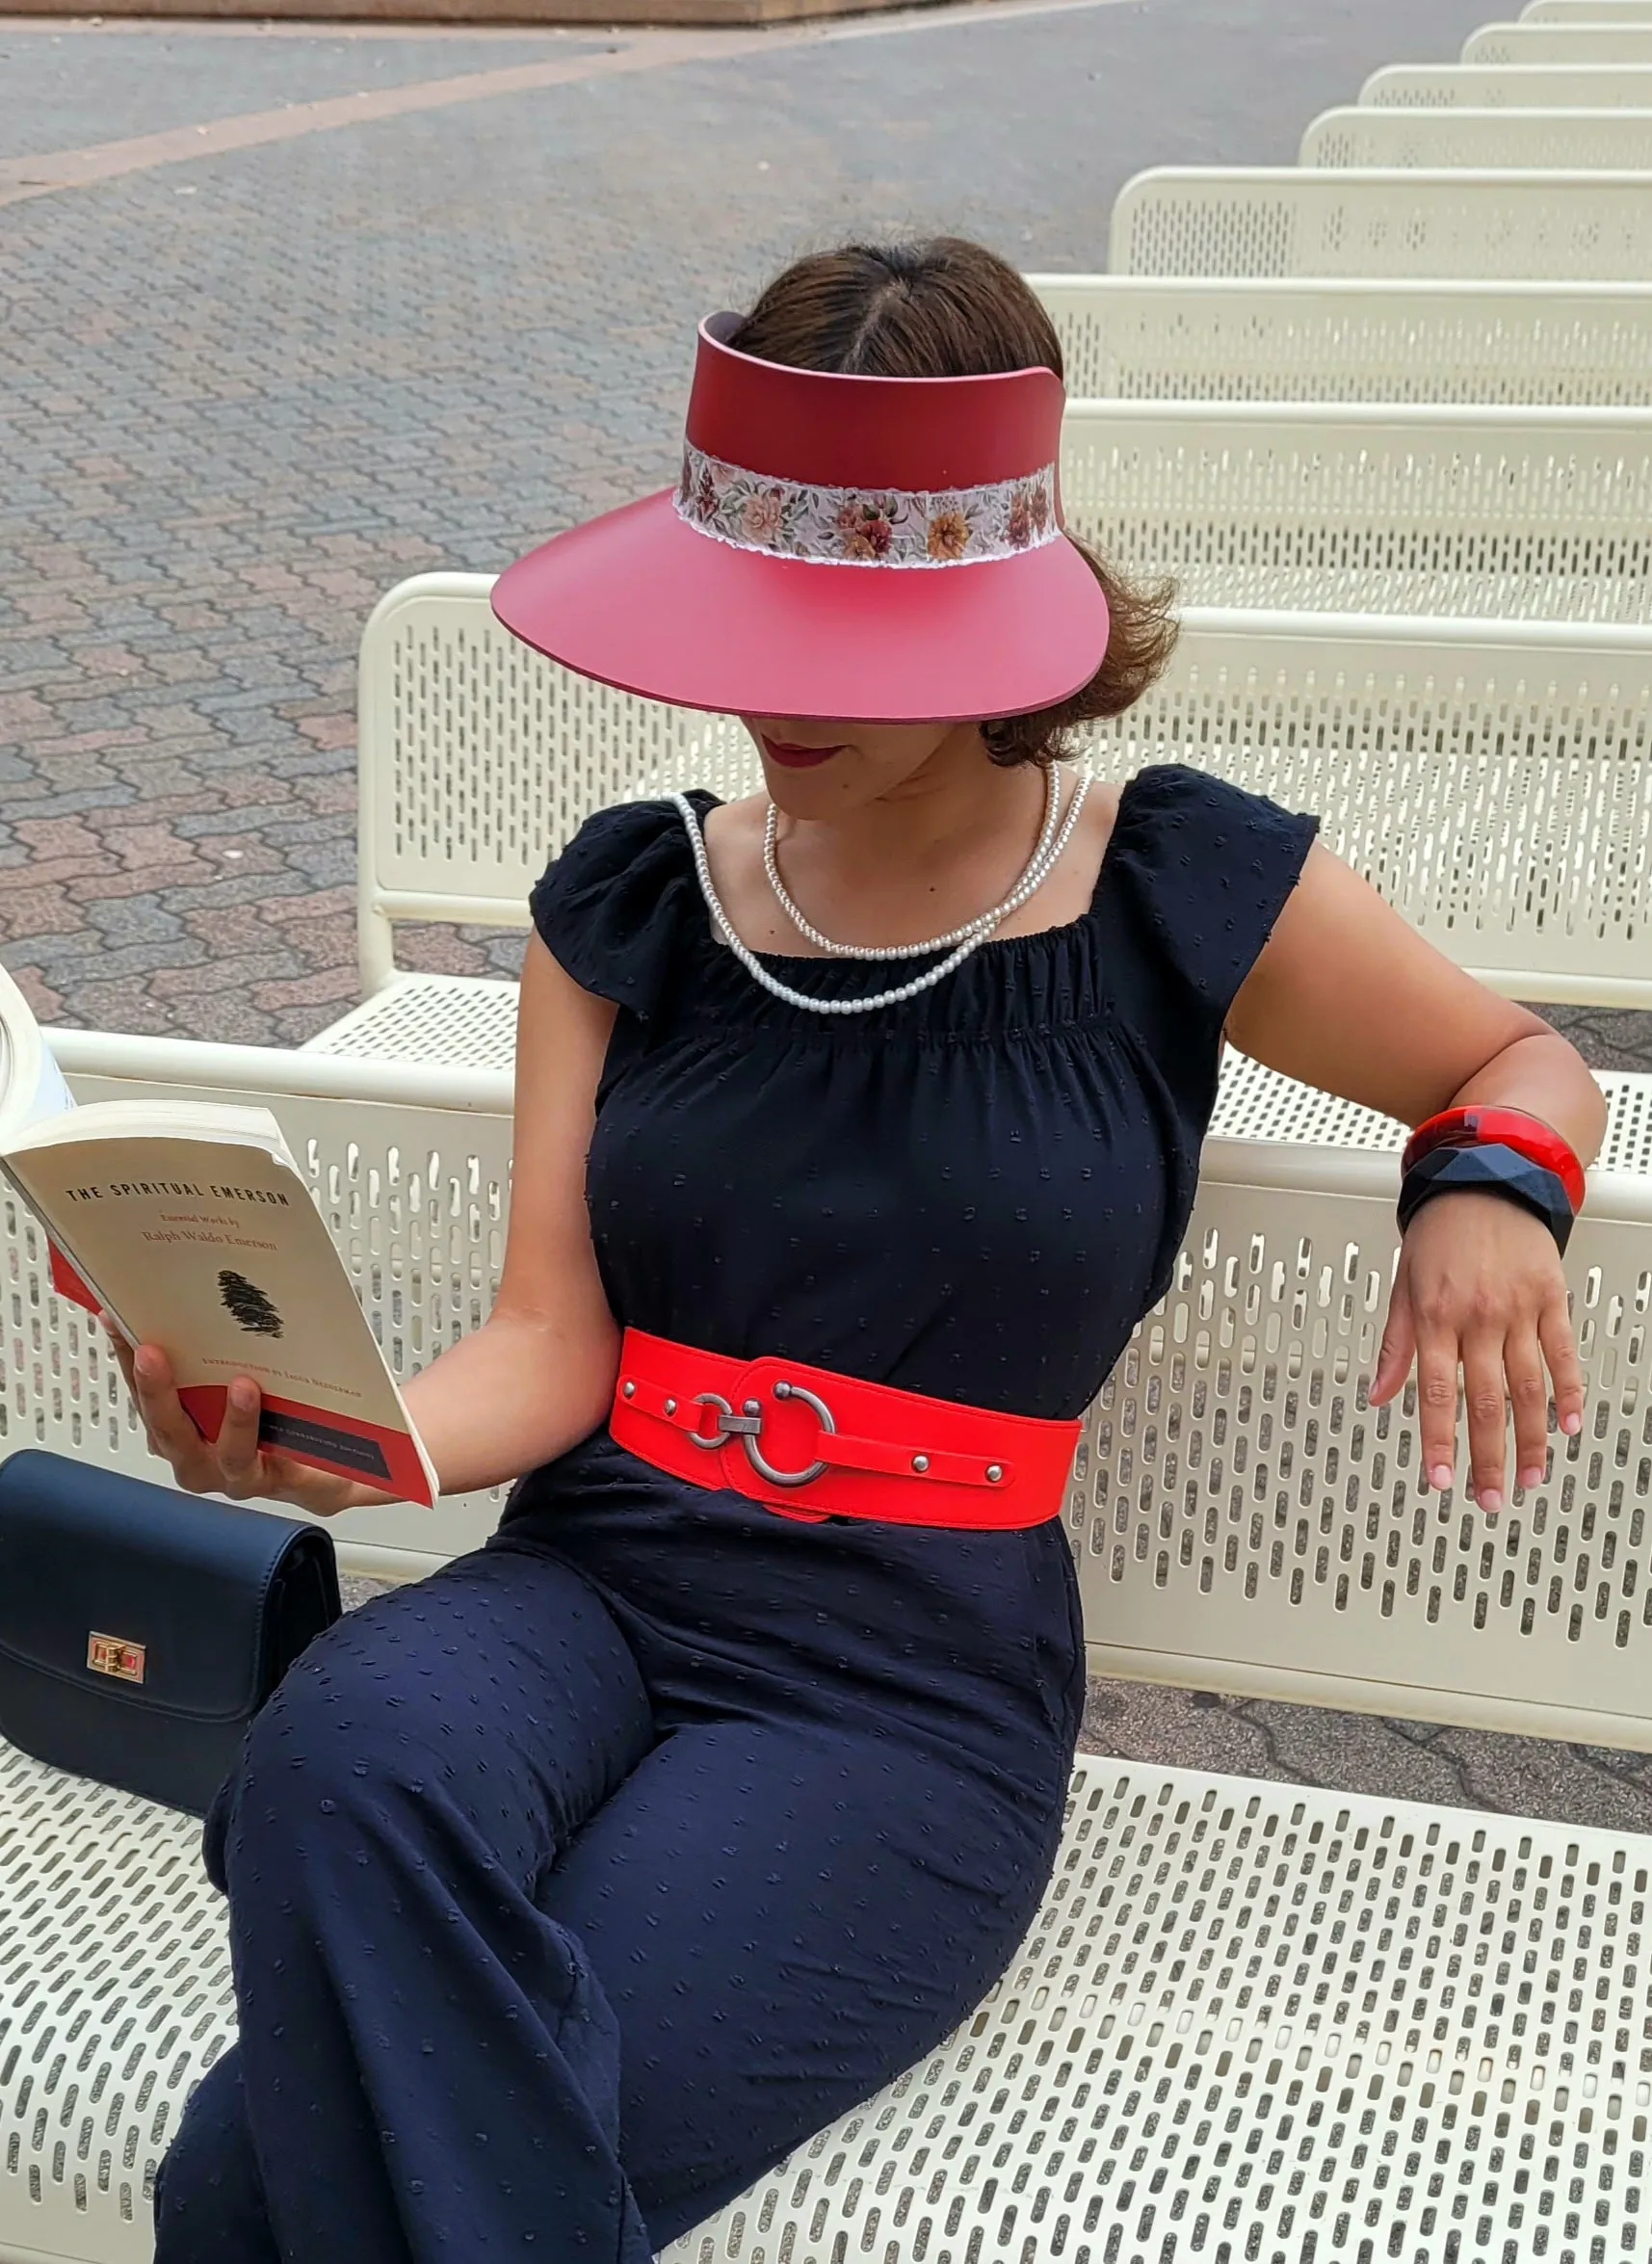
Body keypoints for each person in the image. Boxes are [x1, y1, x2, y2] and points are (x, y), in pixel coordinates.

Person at [121, 239, 1604, 2264]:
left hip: (895, 1687)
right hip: (588, 1580)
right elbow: (551, 1342)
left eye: (849, 638)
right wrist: (317, 1437)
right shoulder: (631, 902)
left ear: (999, 619)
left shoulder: (1168, 880)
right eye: (746, 617)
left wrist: (1483, 1191)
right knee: (337, 1751)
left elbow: (1509, 1056)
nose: (772, 693)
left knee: (249, 2183)